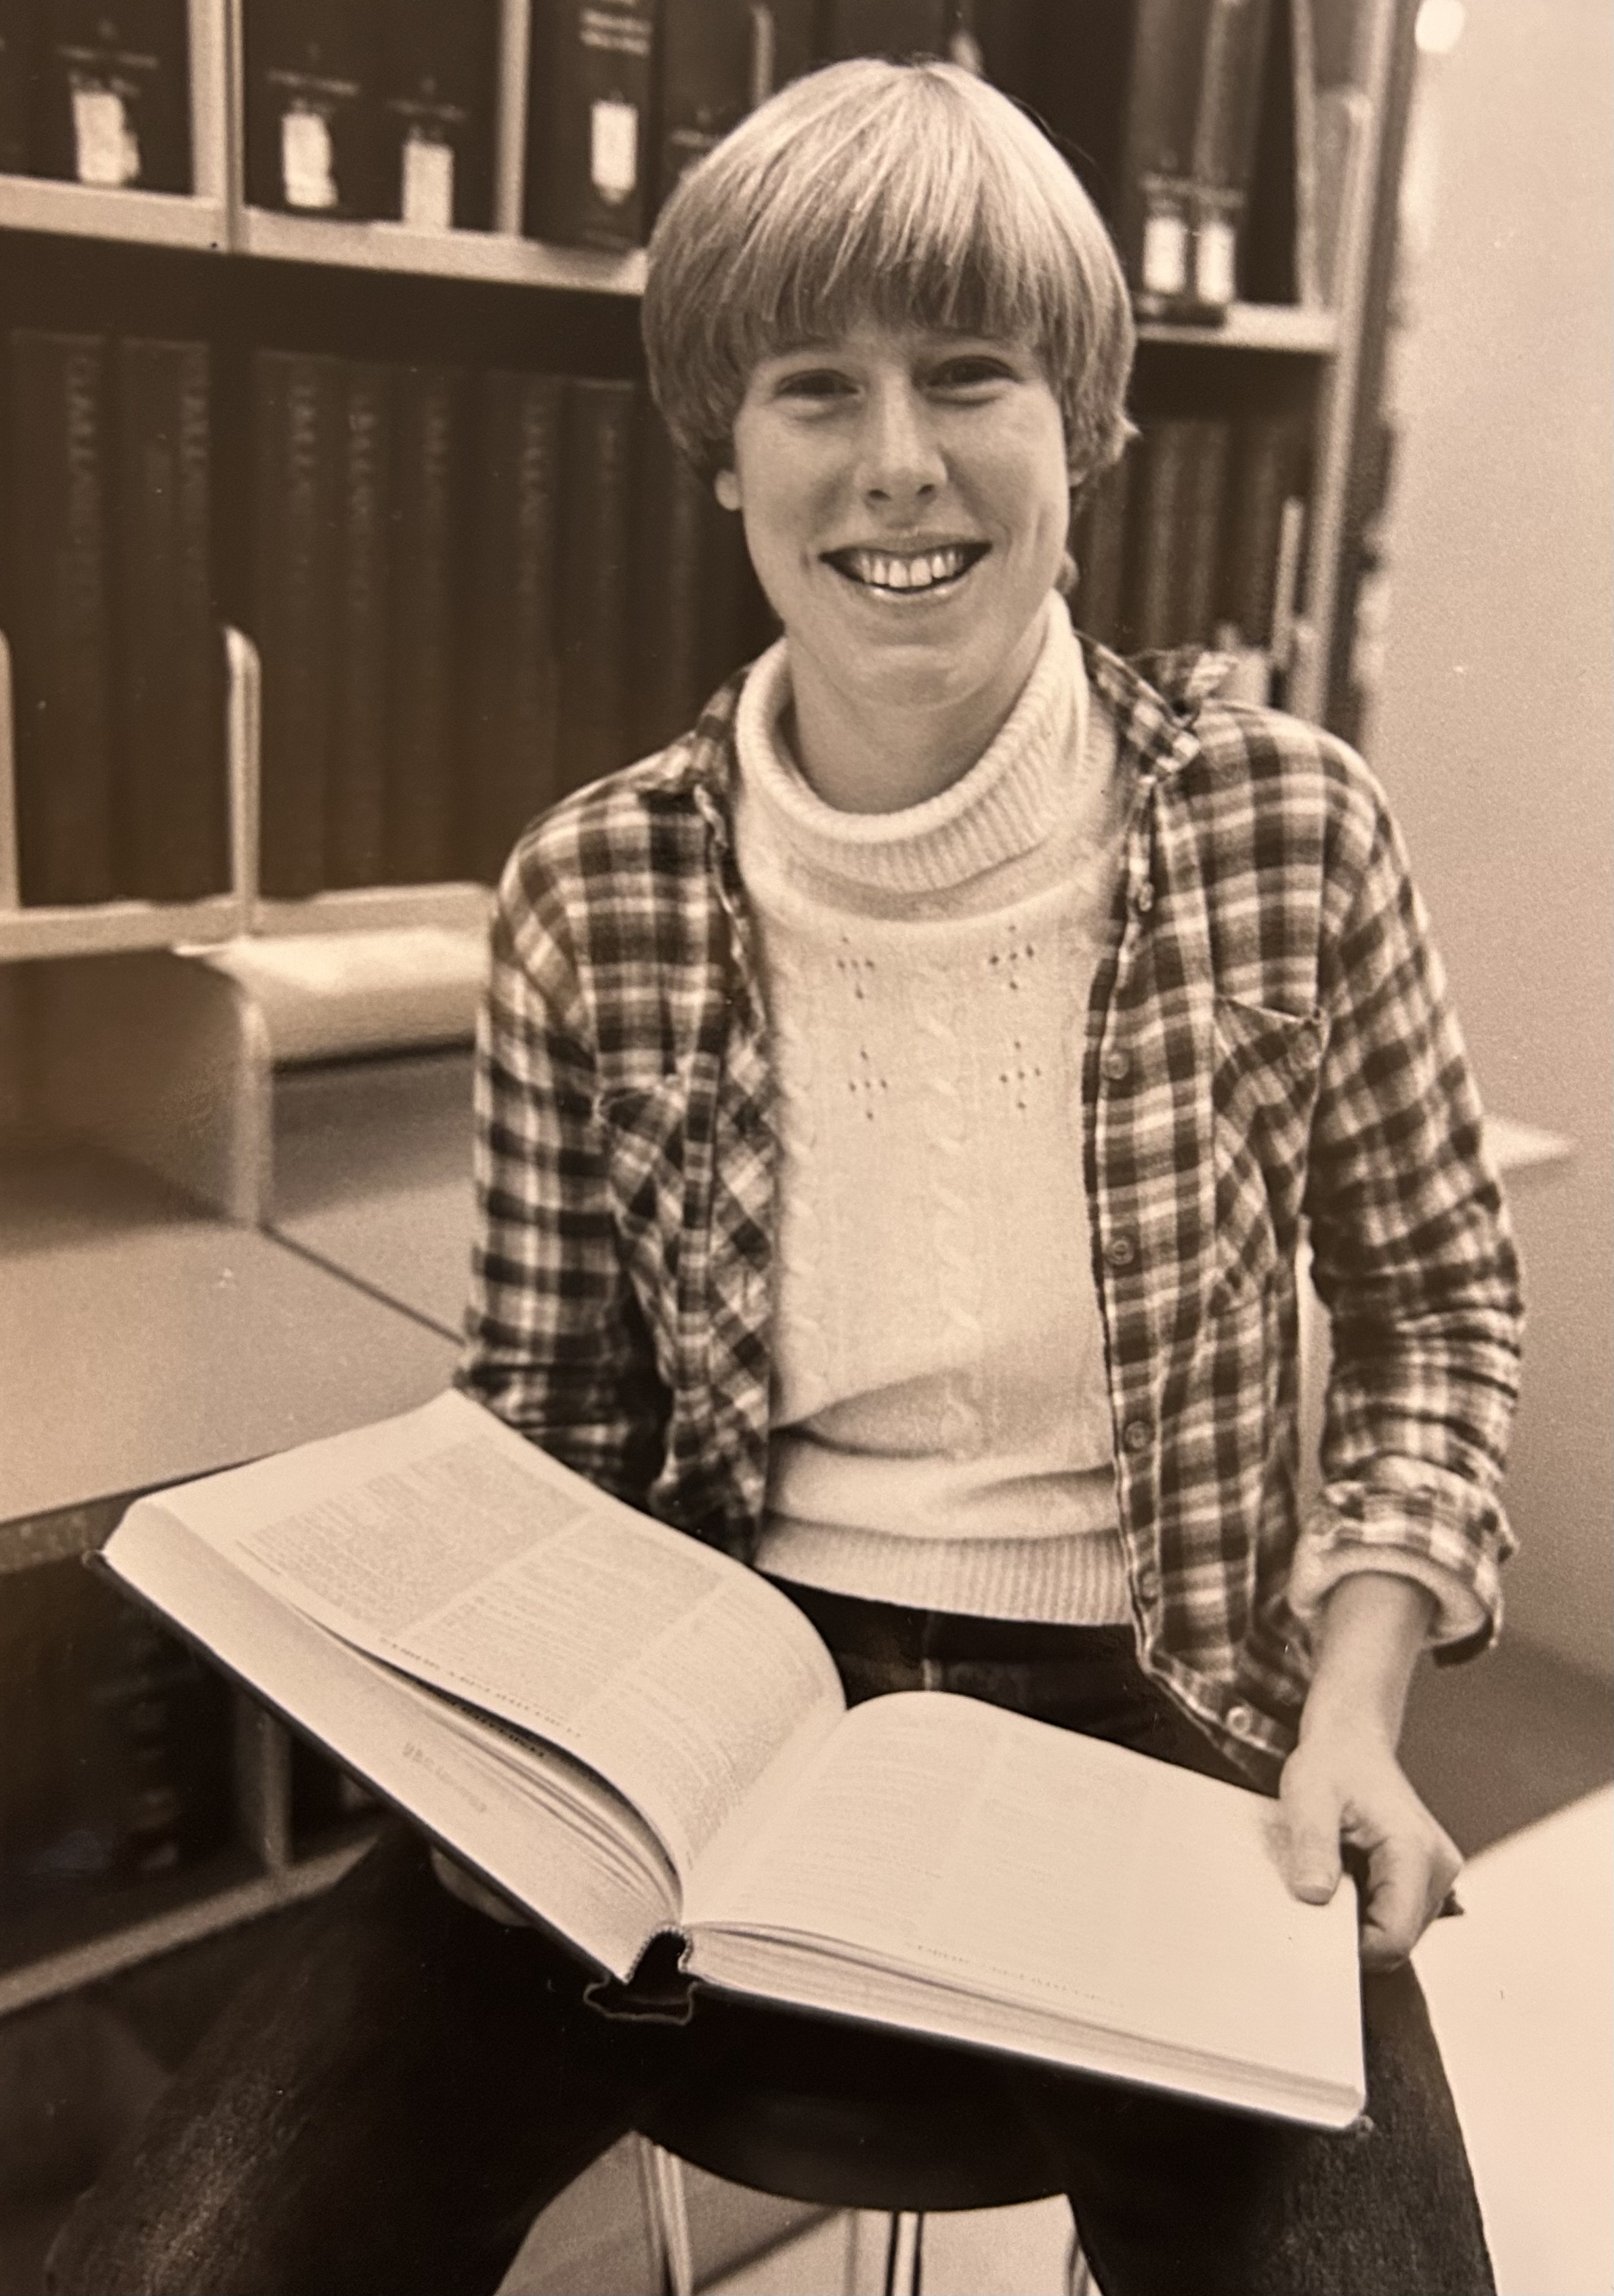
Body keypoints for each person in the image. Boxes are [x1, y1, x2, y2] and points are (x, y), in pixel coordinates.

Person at [49, 56, 1521, 2296]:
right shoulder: (589, 897)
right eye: (815, 386)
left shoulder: (1288, 831)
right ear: (722, 450)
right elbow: (548, 1427)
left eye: (971, 376)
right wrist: (468, 1702)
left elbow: (1433, 1305)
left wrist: (1354, 1718)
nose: (897, 463)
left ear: (1089, 424)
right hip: (722, 1701)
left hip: (1184, 1724)